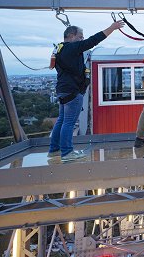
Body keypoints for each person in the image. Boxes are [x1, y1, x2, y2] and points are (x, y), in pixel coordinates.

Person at [49, 20, 125, 162]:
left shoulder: (59, 49)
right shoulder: (71, 48)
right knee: (69, 122)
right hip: (72, 90)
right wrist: (112, 28)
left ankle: (54, 150)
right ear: (71, 36)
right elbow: (93, 41)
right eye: (80, 37)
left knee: (61, 120)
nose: (82, 40)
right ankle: (67, 153)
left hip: (62, 89)